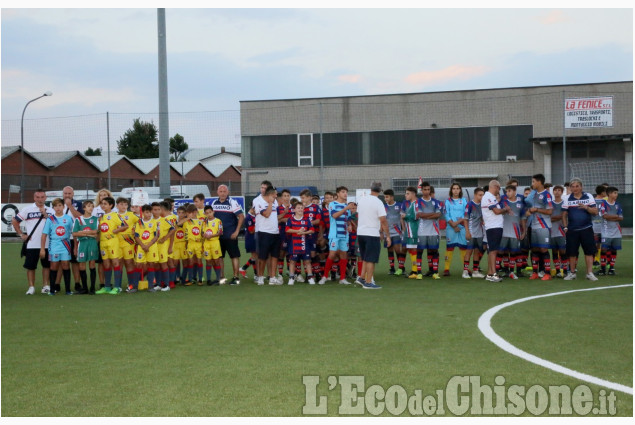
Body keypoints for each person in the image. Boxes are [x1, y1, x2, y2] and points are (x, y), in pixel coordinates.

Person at [13, 189, 55, 295]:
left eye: (42, 197)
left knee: (46, 266)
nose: (40, 199)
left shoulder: (51, 210)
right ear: (34, 198)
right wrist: (22, 234)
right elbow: (15, 221)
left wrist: (46, 214)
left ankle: (45, 285)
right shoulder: (27, 209)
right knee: (31, 267)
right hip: (32, 244)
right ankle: (31, 287)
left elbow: (56, 223)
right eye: (38, 197)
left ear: (45, 198)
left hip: (47, 243)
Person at [561, 178, 598, 281]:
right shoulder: (567, 198)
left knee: (589, 252)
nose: (575, 188)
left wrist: (586, 207)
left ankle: (589, 273)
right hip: (572, 230)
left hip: (586, 229)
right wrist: (565, 227)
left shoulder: (589, 196)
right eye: (572, 186)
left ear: (581, 187)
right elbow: (563, 215)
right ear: (570, 188)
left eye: (577, 186)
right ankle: (572, 273)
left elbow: (595, 212)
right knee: (572, 252)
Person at [356, 184, 390, 289]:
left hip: (361, 232)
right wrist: (387, 235)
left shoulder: (362, 199)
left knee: (365, 257)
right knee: (371, 259)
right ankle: (368, 282)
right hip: (372, 233)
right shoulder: (378, 202)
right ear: (380, 191)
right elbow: (383, 220)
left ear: (371, 189)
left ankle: (361, 278)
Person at [319, 186, 354, 285]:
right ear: (338, 194)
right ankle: (325, 276)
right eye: (343, 192)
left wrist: (349, 225)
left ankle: (342, 278)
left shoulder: (346, 206)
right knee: (332, 254)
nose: (345, 194)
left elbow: (348, 219)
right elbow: (334, 216)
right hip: (334, 234)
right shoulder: (332, 204)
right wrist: (346, 208)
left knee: (343, 255)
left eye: (346, 192)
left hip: (344, 234)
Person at [40, 198, 74, 295]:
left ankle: (68, 290)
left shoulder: (68, 218)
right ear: (53, 207)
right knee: (54, 266)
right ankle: (52, 290)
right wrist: (42, 249)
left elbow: (74, 232)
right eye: (55, 206)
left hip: (65, 245)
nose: (58, 208)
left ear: (63, 206)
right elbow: (44, 235)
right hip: (54, 246)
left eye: (60, 205)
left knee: (66, 265)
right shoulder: (50, 219)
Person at [212, 184, 245, 285]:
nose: (222, 193)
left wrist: (236, 232)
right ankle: (221, 278)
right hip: (218, 236)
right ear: (217, 192)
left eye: (224, 191)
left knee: (234, 256)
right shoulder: (214, 203)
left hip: (230, 235)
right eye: (220, 191)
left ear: (228, 192)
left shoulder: (232, 202)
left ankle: (236, 277)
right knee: (220, 257)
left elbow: (241, 216)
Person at [95, 196, 128, 294]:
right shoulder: (101, 217)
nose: (103, 205)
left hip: (112, 242)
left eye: (105, 204)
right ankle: (107, 286)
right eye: (102, 204)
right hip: (103, 242)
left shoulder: (115, 215)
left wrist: (116, 230)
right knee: (106, 264)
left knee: (115, 263)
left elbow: (125, 225)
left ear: (111, 205)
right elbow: (100, 230)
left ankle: (117, 287)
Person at [526, 174, 553, 281]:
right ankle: (535, 273)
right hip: (534, 225)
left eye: (533, 182)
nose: (532, 184)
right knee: (535, 249)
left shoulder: (547, 195)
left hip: (544, 226)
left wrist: (536, 209)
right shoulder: (534, 195)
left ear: (539, 182)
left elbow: (550, 211)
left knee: (543, 249)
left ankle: (547, 273)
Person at [254, 186, 281, 285]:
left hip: (275, 232)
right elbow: (266, 214)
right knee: (262, 257)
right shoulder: (259, 202)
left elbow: (274, 216)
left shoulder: (275, 202)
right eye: (275, 194)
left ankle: (272, 277)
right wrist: (270, 203)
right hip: (264, 233)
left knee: (274, 256)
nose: (276, 195)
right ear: (270, 194)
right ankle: (260, 276)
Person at [481, 181, 506, 282]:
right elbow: (496, 211)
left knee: (493, 250)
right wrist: (505, 209)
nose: (498, 190)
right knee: (493, 251)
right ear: (495, 187)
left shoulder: (491, 197)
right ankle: (493, 273)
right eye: (499, 188)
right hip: (493, 227)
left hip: (495, 226)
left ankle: (490, 273)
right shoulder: (489, 197)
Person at [285, 202, 317, 285]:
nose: (300, 209)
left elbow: (312, 230)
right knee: (292, 261)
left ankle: (310, 277)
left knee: (307, 261)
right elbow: (287, 229)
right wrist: (297, 231)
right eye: (298, 208)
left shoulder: (307, 220)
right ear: (294, 209)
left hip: (304, 244)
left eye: (301, 208)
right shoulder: (290, 219)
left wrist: (304, 233)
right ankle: (291, 278)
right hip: (294, 244)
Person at [72, 200, 100, 294]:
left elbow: (95, 232)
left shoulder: (95, 219)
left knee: (92, 264)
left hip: (92, 243)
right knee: (82, 265)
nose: (91, 208)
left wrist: (82, 233)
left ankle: (92, 288)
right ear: (84, 208)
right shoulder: (78, 220)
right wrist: (88, 233)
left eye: (92, 206)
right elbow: (75, 233)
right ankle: (84, 288)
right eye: (88, 206)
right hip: (82, 244)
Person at [416, 182, 442, 279]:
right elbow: (419, 215)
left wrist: (425, 215)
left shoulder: (436, 202)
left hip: (433, 231)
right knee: (420, 251)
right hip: (422, 231)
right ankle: (419, 272)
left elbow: (438, 215)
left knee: (434, 250)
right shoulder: (418, 202)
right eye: (425, 189)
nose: (426, 191)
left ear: (430, 190)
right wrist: (432, 215)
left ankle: (435, 272)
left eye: (428, 189)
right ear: (421, 190)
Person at [499, 185, 526, 280]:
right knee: (502, 251)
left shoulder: (520, 204)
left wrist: (524, 231)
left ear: (515, 192)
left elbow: (522, 218)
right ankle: (504, 271)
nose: (507, 193)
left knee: (513, 252)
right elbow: (499, 213)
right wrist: (504, 210)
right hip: (504, 231)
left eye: (509, 191)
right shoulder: (503, 203)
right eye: (506, 191)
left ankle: (511, 271)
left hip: (515, 231)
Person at [442, 183, 468, 276]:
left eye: (457, 188)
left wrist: (458, 223)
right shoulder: (447, 201)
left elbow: (466, 214)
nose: (456, 190)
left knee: (463, 248)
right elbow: (446, 214)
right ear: (451, 190)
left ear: (460, 190)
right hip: (451, 227)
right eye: (454, 188)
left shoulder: (464, 200)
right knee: (449, 248)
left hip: (462, 227)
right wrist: (453, 225)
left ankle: (466, 269)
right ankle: (446, 269)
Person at [61, 186, 84, 292]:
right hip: (61, 238)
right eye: (65, 193)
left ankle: (77, 283)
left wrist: (70, 206)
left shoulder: (78, 204)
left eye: (69, 193)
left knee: (75, 262)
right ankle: (57, 285)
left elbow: (81, 218)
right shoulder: (57, 204)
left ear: (73, 194)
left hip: (74, 237)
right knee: (62, 262)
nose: (67, 195)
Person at [134, 205, 160, 292]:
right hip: (141, 247)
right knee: (138, 265)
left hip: (151, 247)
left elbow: (157, 236)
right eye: (147, 212)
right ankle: (134, 286)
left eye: (150, 212)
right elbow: (136, 236)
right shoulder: (139, 223)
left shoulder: (154, 222)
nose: (149, 214)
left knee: (151, 264)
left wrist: (148, 245)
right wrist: (142, 245)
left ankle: (151, 286)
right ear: (143, 213)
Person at [115, 197, 140, 291]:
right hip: (116, 243)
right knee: (118, 263)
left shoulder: (131, 215)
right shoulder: (113, 216)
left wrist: (135, 231)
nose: (123, 206)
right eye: (121, 204)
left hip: (128, 242)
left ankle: (131, 284)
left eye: (125, 204)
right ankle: (118, 286)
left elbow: (141, 223)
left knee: (129, 263)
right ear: (117, 205)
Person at [597, 186, 623, 276]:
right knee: (603, 249)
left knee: (614, 250)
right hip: (606, 231)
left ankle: (611, 268)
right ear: (609, 194)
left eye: (617, 193)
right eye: (615, 193)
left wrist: (612, 217)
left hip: (617, 231)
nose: (616, 195)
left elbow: (621, 218)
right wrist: (616, 216)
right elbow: (604, 216)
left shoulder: (618, 204)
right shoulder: (603, 203)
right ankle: (603, 269)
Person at [463, 188, 485, 279]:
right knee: (469, 251)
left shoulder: (483, 205)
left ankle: (475, 271)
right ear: (475, 195)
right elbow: (465, 219)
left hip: (479, 232)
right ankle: (465, 271)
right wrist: (467, 231)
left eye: (483, 195)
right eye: (480, 195)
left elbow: (482, 218)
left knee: (477, 251)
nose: (482, 197)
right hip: (471, 232)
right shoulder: (470, 205)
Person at [400, 186, 422, 279]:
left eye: (408, 193)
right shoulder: (411, 204)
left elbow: (416, 216)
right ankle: (414, 270)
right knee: (411, 249)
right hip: (409, 230)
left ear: (413, 194)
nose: (406, 195)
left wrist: (406, 216)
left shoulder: (416, 203)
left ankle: (416, 271)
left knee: (413, 250)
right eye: (406, 193)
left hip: (413, 229)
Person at [383, 189, 405, 276]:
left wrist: (403, 228)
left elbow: (402, 217)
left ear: (392, 197)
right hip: (387, 232)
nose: (385, 198)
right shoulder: (384, 207)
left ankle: (401, 267)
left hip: (396, 232)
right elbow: (382, 219)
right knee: (390, 249)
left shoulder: (399, 205)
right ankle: (392, 268)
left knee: (397, 249)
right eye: (384, 197)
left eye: (387, 197)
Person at [202, 205, 223, 285]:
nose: (209, 214)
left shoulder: (218, 221)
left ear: (213, 212)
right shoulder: (204, 222)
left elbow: (220, 232)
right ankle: (208, 280)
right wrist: (204, 235)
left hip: (215, 243)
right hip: (206, 243)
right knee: (208, 261)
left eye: (210, 212)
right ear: (205, 214)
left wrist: (211, 236)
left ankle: (218, 279)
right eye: (207, 213)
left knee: (216, 261)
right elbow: (202, 232)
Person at [550, 185, 568, 278]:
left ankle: (565, 271)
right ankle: (557, 271)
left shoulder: (565, 203)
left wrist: (557, 217)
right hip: (552, 230)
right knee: (554, 251)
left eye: (559, 190)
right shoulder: (550, 204)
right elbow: (549, 218)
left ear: (562, 192)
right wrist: (560, 216)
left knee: (563, 251)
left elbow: (565, 216)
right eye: (555, 190)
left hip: (561, 231)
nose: (557, 192)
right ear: (553, 192)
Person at [183, 204, 204, 285]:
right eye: (188, 213)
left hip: (198, 244)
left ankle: (200, 279)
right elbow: (179, 226)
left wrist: (202, 242)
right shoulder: (186, 222)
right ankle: (191, 279)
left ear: (195, 212)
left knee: (199, 261)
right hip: (190, 244)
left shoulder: (200, 222)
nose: (189, 215)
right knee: (190, 261)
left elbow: (202, 233)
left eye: (190, 213)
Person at [276, 189, 293, 278]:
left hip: (293, 234)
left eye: (288, 196)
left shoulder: (294, 207)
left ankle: (292, 273)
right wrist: (284, 219)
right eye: (284, 196)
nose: (286, 198)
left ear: (290, 197)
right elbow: (275, 220)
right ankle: (280, 274)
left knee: (291, 253)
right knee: (281, 253)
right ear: (282, 198)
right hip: (282, 233)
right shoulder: (278, 209)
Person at [239, 207, 258, 279]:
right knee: (254, 256)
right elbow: (251, 231)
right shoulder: (248, 218)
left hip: (255, 238)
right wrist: (259, 223)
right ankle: (254, 274)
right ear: (252, 209)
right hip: (251, 239)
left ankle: (245, 269)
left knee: (255, 257)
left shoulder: (254, 216)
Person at [592, 185, 607, 268]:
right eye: (605, 192)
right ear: (602, 193)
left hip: (593, 225)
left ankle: (595, 260)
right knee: (604, 244)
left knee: (595, 244)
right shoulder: (606, 202)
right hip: (603, 225)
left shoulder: (592, 201)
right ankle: (603, 262)